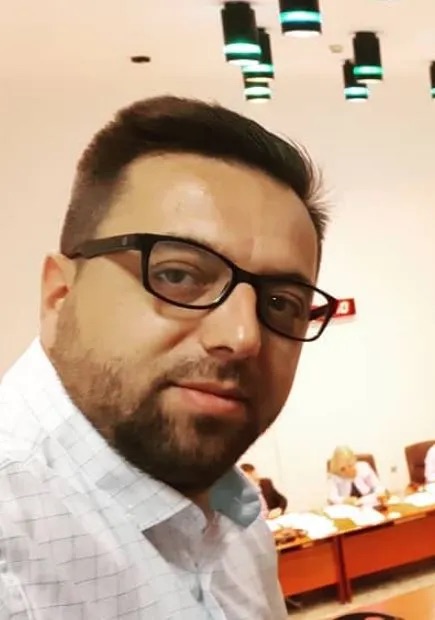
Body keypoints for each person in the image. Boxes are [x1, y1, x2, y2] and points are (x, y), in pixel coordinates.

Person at [0, 95, 336, 619]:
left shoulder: (238, 517)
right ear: (60, 294)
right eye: (177, 274)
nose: (243, 336)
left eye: (280, 303)